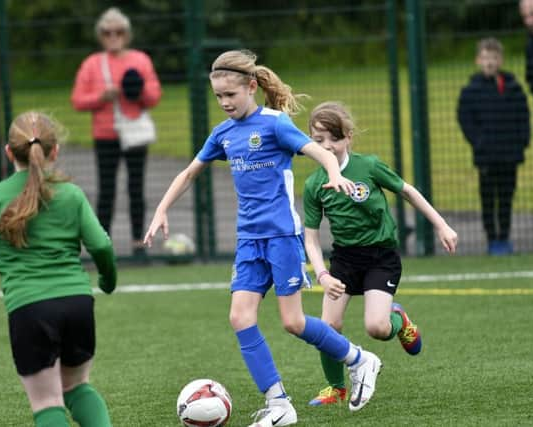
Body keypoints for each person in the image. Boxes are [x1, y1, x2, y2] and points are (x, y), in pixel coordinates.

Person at [143, 50, 382, 427]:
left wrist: (334, 172)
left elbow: (319, 151)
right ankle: (279, 405)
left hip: (282, 237)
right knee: (240, 318)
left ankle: (359, 359)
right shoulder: (222, 134)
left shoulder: (274, 124)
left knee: (294, 322)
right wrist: (161, 210)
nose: (224, 103)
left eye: (230, 95)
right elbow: (190, 172)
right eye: (218, 96)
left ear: (251, 87)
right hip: (248, 240)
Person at [302, 101, 458, 408]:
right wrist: (322, 274)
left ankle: (398, 319)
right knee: (327, 326)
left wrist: (441, 225)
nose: (327, 146)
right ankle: (336, 387)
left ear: (348, 137)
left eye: (333, 138)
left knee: (377, 328)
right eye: (318, 140)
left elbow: (408, 191)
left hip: (380, 257)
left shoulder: (368, 166)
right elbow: (310, 238)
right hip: (344, 259)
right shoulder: (314, 184)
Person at [0, 111, 117, 427]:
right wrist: (106, 279)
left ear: (9, 153)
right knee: (77, 387)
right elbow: (101, 246)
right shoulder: (71, 194)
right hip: (77, 302)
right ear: (55, 151)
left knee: (47, 402)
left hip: (29, 307)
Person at [71, 7, 162, 257]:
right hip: (105, 135)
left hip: (134, 134)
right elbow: (78, 100)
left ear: (127, 34)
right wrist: (102, 97)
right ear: (100, 35)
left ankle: (137, 241)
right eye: (107, 32)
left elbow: (154, 96)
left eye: (118, 32)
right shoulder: (92, 64)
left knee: (136, 187)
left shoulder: (140, 60)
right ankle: (103, 241)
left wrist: (136, 90)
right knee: (106, 189)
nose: (113, 36)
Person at [457, 37, 530, 255]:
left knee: (506, 197)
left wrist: (521, 142)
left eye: (494, 57)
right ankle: (491, 238)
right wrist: (478, 142)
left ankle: (504, 238)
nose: (490, 62)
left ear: (501, 60)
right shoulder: (471, 90)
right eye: (486, 58)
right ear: (478, 60)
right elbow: (465, 119)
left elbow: (523, 117)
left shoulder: (513, 87)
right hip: (486, 156)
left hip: (510, 154)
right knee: (488, 197)